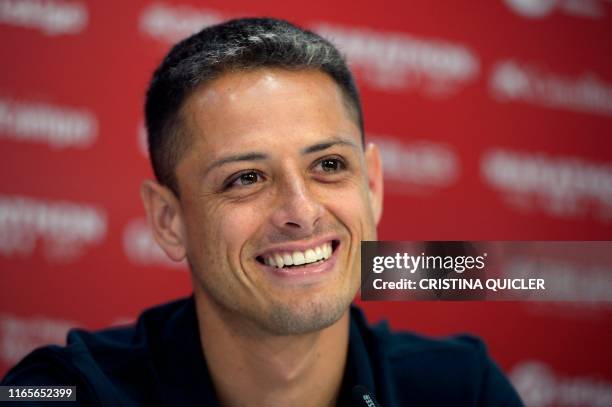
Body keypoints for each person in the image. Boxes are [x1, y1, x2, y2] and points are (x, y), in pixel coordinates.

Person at [2, 18, 523, 406]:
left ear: (373, 184)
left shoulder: (462, 390)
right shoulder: (64, 392)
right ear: (168, 220)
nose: (300, 211)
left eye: (329, 164)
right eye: (245, 178)